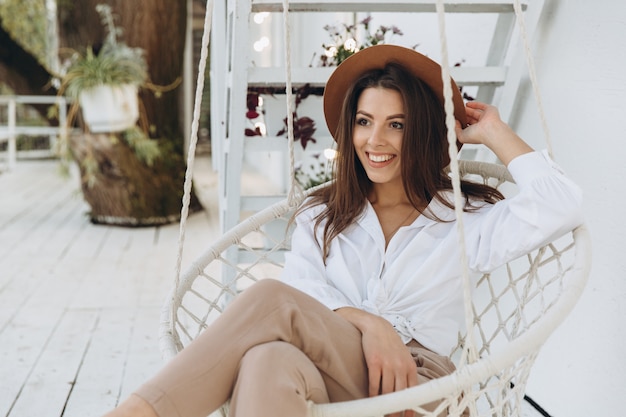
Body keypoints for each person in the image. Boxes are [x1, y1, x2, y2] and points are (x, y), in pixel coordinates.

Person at [103, 44, 583, 417]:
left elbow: (562, 205)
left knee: (271, 300)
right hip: (336, 380)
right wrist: (371, 325)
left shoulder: (465, 221)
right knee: (265, 361)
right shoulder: (323, 216)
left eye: (397, 124)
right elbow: (304, 289)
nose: (375, 141)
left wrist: (495, 133)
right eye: (364, 122)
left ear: (422, 132)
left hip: (423, 391)